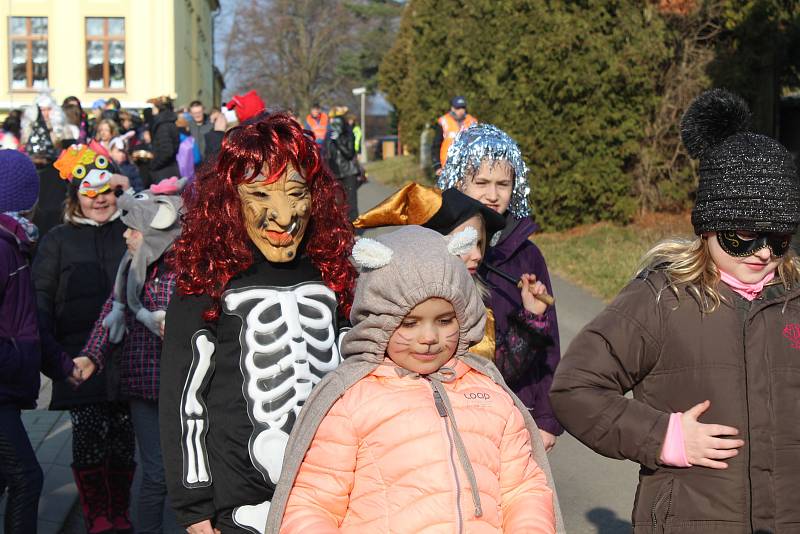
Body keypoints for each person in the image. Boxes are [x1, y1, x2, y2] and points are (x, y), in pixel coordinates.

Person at [550, 89, 800, 533]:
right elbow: (576, 389)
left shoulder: (794, 302)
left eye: (778, 238)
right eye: (745, 233)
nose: (763, 252)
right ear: (708, 225)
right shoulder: (661, 298)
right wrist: (663, 436)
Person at [264, 225, 562, 533]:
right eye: (410, 323)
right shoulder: (351, 401)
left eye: (445, 320)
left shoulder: (490, 394)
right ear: (379, 320)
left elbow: (524, 490)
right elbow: (313, 505)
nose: (429, 337)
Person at [159, 112, 357, 534]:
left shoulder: (332, 272)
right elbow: (183, 398)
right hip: (240, 505)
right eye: (260, 195)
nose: (283, 216)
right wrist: (194, 506)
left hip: (331, 495)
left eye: (295, 193)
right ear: (229, 201)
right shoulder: (207, 279)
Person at [438, 123, 563, 450]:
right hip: (448, 415)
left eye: (503, 184)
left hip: (515, 412)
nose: (493, 195)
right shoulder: (436, 245)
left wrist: (547, 419)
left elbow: (550, 344)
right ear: (457, 181)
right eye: (481, 183)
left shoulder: (527, 255)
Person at [34, 145, 136, 534]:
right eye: (90, 193)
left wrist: (130, 192)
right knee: (90, 437)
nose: (100, 200)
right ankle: (96, 511)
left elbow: (169, 213)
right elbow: (41, 297)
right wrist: (53, 356)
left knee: (124, 441)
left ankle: (120, 507)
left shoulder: (131, 232)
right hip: (78, 360)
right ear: (75, 196)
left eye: (107, 191)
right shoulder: (58, 240)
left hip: (126, 358)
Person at [74, 178, 185, 534]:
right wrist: (91, 357)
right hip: (142, 387)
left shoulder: (181, 271)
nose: (125, 236)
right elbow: (112, 313)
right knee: (156, 474)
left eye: (132, 230)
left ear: (153, 232)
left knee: (186, 471)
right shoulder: (130, 269)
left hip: (181, 388)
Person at [353, 183, 554, 368]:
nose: (476, 255)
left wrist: (531, 317)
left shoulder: (478, 305)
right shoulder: (395, 297)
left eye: (479, 243)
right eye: (465, 244)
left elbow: (497, 369)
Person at [0, 150, 84, 534]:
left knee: (9, 477)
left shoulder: (14, 244)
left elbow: (27, 321)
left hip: (8, 387)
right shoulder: (3, 248)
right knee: (26, 478)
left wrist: (64, 368)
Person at [324, 107, 360, 221]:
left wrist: (338, 140)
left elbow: (349, 153)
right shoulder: (329, 135)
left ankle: (353, 228)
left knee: (351, 202)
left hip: (349, 172)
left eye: (338, 123)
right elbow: (326, 153)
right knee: (337, 203)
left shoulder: (348, 134)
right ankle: (341, 229)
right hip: (335, 173)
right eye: (333, 123)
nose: (335, 126)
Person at [432, 95, 478, 175]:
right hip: (446, 168)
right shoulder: (444, 121)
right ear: (452, 108)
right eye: (458, 108)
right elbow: (436, 145)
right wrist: (437, 166)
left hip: (468, 168)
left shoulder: (472, 122)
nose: (461, 111)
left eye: (462, 108)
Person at [147, 96, 180, 184]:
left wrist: (153, 165)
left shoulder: (163, 126)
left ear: (159, 108)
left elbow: (166, 151)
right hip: (169, 170)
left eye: (153, 107)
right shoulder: (168, 122)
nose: (152, 110)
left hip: (164, 173)